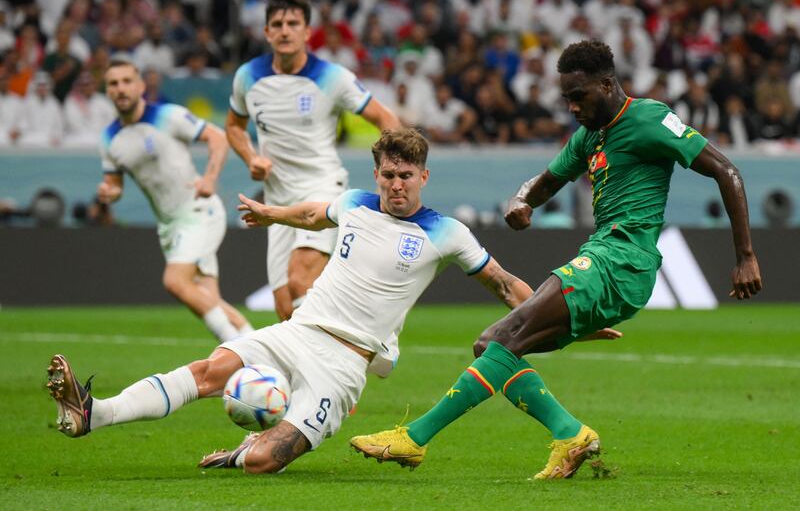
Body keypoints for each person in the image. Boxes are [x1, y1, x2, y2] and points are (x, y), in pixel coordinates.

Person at [46, 129, 619, 475]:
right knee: (209, 371)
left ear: (424, 175)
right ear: (377, 174)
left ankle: (243, 451)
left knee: (269, 462)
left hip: (345, 364)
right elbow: (310, 210)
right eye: (388, 175)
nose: (397, 185)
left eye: (406, 176)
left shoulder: (447, 232)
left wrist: (566, 320)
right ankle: (94, 413)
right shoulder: (355, 202)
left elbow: (506, 286)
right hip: (298, 329)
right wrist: (270, 212)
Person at [350, 40, 763, 480]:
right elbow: (546, 181)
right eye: (566, 97)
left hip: (623, 259)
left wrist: (746, 256)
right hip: (602, 257)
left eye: (578, 96)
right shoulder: (589, 136)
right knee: (491, 345)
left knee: (505, 338)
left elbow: (727, 171)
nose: (571, 107)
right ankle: (571, 434)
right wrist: (522, 200)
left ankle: (414, 438)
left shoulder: (649, 119)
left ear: (607, 84)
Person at [225, 0, 400, 321]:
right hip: (276, 198)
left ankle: (362, 339)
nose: (285, 30)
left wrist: (393, 170)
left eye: (293, 23)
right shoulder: (248, 76)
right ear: (266, 32)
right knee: (285, 311)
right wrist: (251, 158)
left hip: (322, 186)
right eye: (277, 24)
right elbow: (233, 126)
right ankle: (351, 332)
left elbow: (385, 118)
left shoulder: (332, 77)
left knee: (301, 279)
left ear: (307, 32)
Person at [96, 58, 252, 342]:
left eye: (127, 81)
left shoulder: (167, 116)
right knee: (210, 300)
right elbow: (115, 184)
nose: (121, 89)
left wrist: (210, 179)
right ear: (107, 90)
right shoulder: (109, 139)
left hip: (198, 210)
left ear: (141, 86)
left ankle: (243, 356)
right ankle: (261, 353)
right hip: (169, 226)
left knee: (175, 281)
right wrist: (110, 192)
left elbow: (217, 137)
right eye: (113, 83)